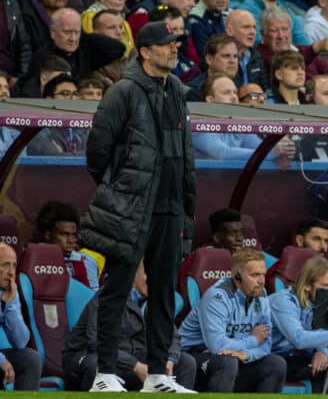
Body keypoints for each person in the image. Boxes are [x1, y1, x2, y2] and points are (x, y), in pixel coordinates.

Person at [78, 21, 196, 393]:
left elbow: (185, 156)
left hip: (169, 209)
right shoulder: (122, 92)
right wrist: (121, 192)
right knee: (118, 289)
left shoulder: (177, 89)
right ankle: (105, 374)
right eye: (166, 45)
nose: (174, 49)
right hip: (131, 209)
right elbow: (96, 153)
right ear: (144, 51)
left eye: (176, 44)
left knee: (163, 294)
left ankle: (160, 375)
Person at [62, 261, 196, 392]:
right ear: (132, 275)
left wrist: (169, 360)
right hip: (90, 356)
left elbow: (171, 336)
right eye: (148, 274)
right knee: (96, 364)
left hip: (133, 357)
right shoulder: (109, 296)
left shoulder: (154, 299)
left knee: (186, 362)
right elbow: (97, 342)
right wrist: (135, 366)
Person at [179, 248, 286, 392]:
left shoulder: (261, 295)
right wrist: (253, 340)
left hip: (233, 360)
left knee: (276, 364)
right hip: (192, 360)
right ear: (237, 277)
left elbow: (266, 344)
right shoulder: (218, 297)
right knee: (227, 362)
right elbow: (217, 346)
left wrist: (246, 355)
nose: (261, 281)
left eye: (263, 275)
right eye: (255, 275)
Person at [269, 256, 328, 393]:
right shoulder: (283, 301)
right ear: (307, 285)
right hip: (267, 359)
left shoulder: (320, 304)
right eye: (325, 286)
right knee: (278, 364)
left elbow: (319, 336)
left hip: (289, 358)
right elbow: (299, 339)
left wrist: (322, 351)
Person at [0, 243, 42, 391]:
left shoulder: (10, 290)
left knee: (30, 359)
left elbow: (20, 342)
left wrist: (9, 304)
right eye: (5, 265)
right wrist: (1, 360)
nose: (11, 272)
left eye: (14, 266)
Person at [36, 201, 99, 290]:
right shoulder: (32, 258)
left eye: (74, 235)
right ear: (48, 235)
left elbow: (90, 299)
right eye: (65, 234)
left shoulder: (84, 261)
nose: (71, 241)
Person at [226, 9, 270, 92]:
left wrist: (254, 99)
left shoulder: (256, 56)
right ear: (230, 31)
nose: (252, 32)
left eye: (254, 27)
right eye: (246, 27)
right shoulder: (221, 57)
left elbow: (265, 91)